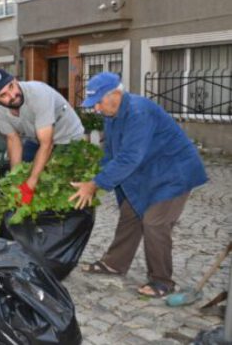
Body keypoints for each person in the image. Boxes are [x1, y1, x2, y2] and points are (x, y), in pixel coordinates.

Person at [70, 72, 207, 298]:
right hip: (149, 172)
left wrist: (95, 184)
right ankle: (114, 263)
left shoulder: (138, 112)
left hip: (174, 173)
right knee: (130, 214)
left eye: (98, 103)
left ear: (115, 94)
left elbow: (130, 157)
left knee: (154, 222)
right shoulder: (112, 116)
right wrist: (96, 174)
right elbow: (112, 153)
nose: (96, 109)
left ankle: (162, 280)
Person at [0, 69, 84, 204]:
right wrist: (15, 179)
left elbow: (46, 144)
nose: (13, 95)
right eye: (3, 95)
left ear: (15, 80)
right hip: (35, 137)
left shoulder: (39, 94)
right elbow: (13, 139)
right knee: (23, 172)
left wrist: (30, 185)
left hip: (68, 136)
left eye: (11, 86)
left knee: (56, 183)